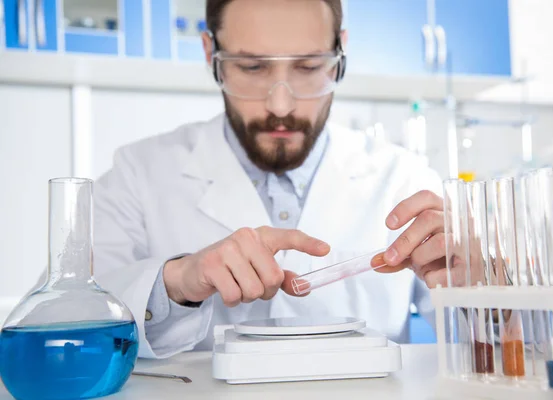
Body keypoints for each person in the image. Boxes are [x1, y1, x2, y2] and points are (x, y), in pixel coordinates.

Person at [92, 0, 448, 359]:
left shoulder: (404, 178)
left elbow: (492, 345)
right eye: (251, 67)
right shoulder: (139, 173)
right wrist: (176, 282)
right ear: (209, 53)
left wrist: (484, 286)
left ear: (340, 53)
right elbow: (56, 319)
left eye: (308, 66)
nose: (281, 105)